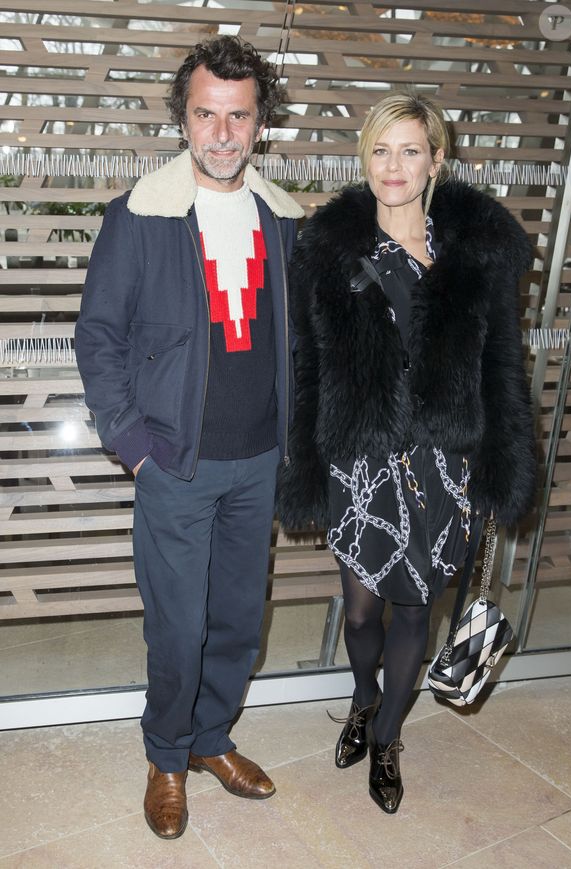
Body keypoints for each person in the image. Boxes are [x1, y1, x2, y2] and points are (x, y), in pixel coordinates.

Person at [277, 92, 536, 815]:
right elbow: (307, 366)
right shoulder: (328, 250)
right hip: (361, 459)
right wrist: (305, 460)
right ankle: (364, 698)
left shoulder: (475, 255)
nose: (395, 166)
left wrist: (498, 467)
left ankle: (387, 734)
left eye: (411, 149)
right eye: (382, 150)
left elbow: (502, 368)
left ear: (437, 159)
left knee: (416, 611)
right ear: (365, 157)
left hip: (446, 461)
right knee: (362, 613)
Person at [75, 35, 303, 839]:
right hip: (176, 462)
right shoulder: (139, 216)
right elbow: (98, 337)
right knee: (180, 622)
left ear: (260, 122)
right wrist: (134, 444)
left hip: (260, 461)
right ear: (184, 118)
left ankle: (211, 738)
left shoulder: (284, 220)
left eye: (237, 116)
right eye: (206, 113)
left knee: (240, 617)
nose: (221, 132)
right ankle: (166, 754)